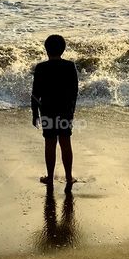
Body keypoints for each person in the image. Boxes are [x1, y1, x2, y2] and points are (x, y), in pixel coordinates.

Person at [31, 35, 79, 192]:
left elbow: (35, 95)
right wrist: (71, 111)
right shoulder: (70, 66)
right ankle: (69, 176)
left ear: (46, 49)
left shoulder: (41, 68)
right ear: (63, 49)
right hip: (65, 110)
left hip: (47, 110)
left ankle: (50, 178)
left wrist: (35, 114)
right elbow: (74, 92)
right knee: (65, 142)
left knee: (50, 143)